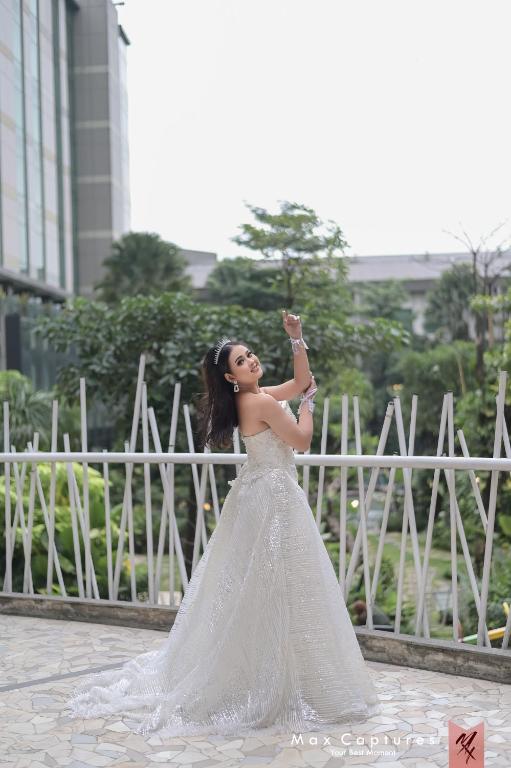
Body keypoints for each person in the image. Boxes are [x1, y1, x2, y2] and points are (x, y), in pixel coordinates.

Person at [66, 310, 381, 738]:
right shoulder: (260, 402)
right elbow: (303, 440)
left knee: (265, 587)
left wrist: (296, 338)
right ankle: (272, 676)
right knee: (279, 586)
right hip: (273, 498)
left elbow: (301, 380)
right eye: (241, 361)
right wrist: (308, 406)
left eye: (250, 354)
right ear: (232, 377)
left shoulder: (253, 397)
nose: (251, 361)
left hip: (261, 493)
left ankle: (278, 671)